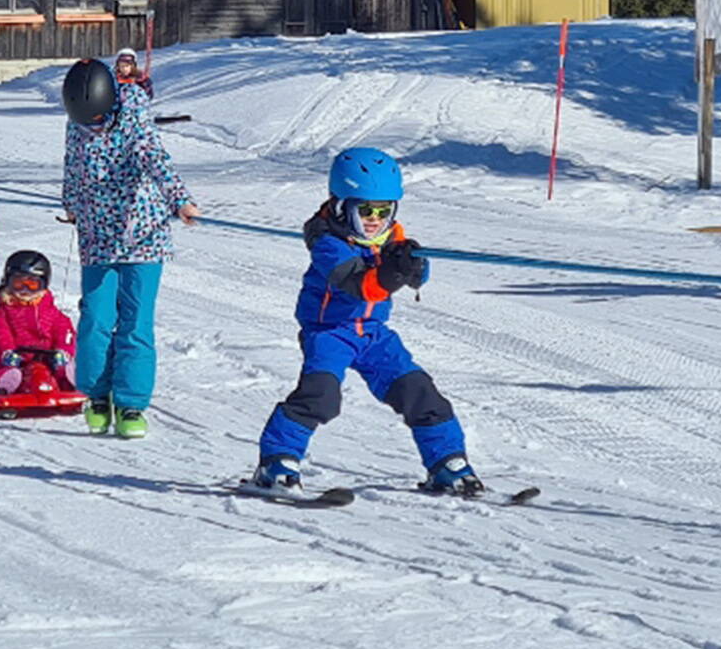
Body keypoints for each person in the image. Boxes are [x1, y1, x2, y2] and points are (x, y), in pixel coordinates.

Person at [250, 148, 483, 497]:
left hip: (374, 335)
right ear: (343, 206)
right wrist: (392, 273)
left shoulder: (391, 238)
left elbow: (415, 278)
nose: (375, 219)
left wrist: (414, 265)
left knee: (420, 392)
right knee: (321, 398)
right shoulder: (328, 243)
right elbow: (360, 284)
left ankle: (448, 463)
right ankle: (277, 463)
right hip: (330, 333)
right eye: (366, 211)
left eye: (384, 211)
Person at [60, 58, 198, 438]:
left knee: (135, 325)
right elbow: (72, 165)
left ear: (113, 106)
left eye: (99, 121)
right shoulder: (78, 121)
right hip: (98, 237)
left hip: (143, 237)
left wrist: (180, 201)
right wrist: (70, 204)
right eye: (85, 122)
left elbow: (156, 160)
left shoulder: (134, 118)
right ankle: (98, 396)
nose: (93, 128)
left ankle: (132, 404)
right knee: (96, 320)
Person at [0, 250, 78, 395]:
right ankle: (4, 388)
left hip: (49, 360)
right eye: (18, 283)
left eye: (32, 284)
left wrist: (63, 350)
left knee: (66, 367)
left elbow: (65, 332)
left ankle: (72, 384)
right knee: (8, 372)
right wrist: (7, 352)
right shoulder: (3, 313)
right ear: (7, 282)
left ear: (43, 285)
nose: (25, 290)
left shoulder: (50, 311)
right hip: (18, 361)